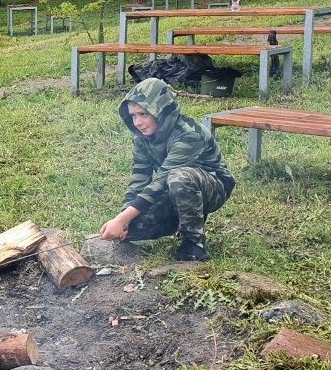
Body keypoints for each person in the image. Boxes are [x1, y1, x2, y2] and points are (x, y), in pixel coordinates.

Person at [98, 78, 235, 261]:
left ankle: (194, 244)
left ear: (160, 111)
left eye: (143, 114)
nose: (137, 122)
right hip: (170, 189)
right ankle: (179, 221)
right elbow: (139, 180)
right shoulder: (141, 138)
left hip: (212, 187)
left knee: (179, 177)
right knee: (133, 229)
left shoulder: (189, 133)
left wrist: (122, 219)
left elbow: (162, 179)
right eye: (133, 116)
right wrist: (124, 220)